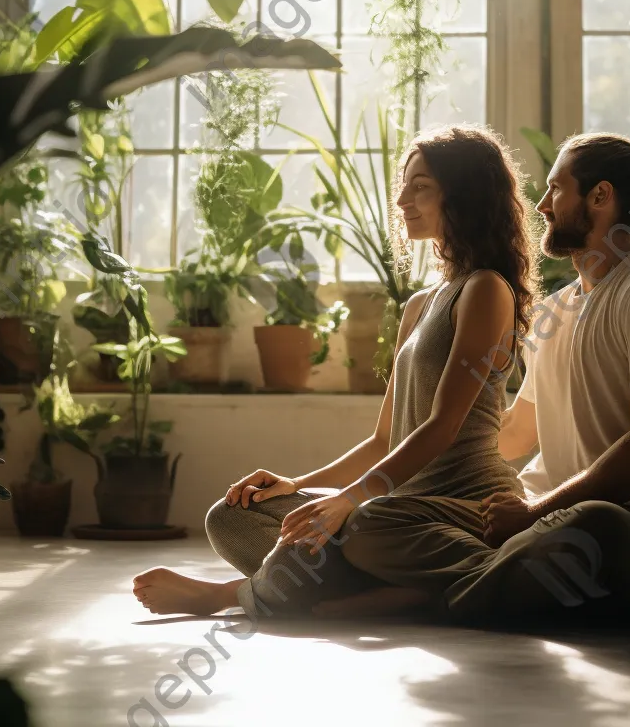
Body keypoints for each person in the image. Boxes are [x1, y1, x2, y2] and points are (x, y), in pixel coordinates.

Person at [132, 124, 538, 618]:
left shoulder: (487, 290)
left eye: (422, 186)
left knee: (365, 526)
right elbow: (384, 438)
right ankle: (403, 593)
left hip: (465, 505)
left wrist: (347, 501)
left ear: (466, 195)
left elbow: (442, 428)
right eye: (405, 185)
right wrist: (296, 484)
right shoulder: (419, 304)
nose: (404, 199)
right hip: (399, 506)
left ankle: (230, 596)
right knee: (235, 518)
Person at [334, 132, 630, 625]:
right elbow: (515, 433)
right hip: (537, 522)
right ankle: (460, 589)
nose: (541, 205)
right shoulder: (556, 310)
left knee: (598, 524)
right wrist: (440, 482)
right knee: (370, 522)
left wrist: (535, 514)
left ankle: (414, 596)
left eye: (557, 189)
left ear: (600, 197)